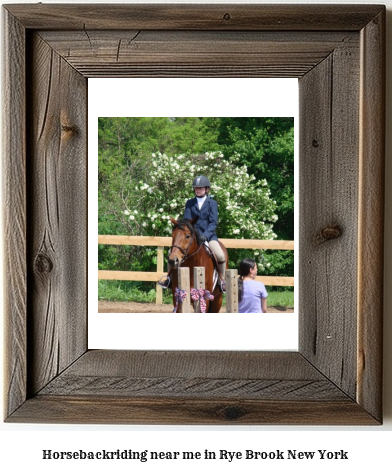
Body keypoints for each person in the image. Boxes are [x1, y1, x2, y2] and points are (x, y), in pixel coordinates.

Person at [160, 175, 226, 291]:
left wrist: (205, 235)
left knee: (220, 255)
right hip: (191, 237)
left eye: (200, 188)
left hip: (208, 236)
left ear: (207, 189)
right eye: (196, 188)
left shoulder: (212, 203)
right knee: (172, 252)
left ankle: (222, 281)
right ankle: (169, 278)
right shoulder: (190, 203)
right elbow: (187, 221)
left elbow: (213, 222)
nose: (198, 189)